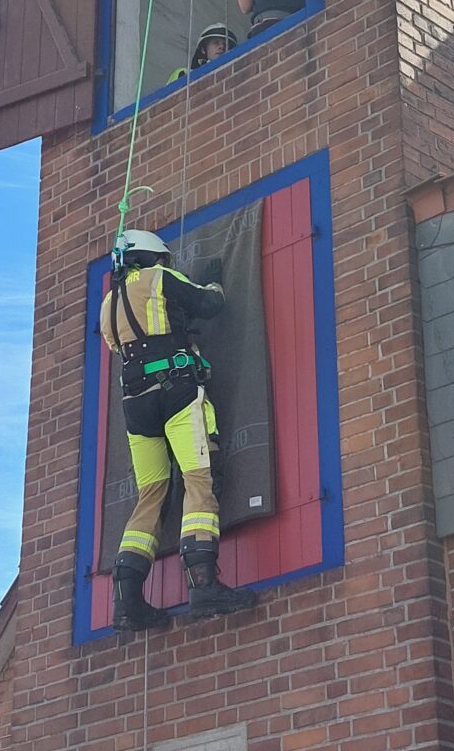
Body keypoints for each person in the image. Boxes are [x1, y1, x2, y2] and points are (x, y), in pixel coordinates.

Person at [100, 229, 257, 631]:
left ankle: (127, 602)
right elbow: (210, 304)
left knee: (151, 493)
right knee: (198, 479)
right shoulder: (161, 278)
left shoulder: (106, 305)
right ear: (154, 256)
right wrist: (216, 279)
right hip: (178, 394)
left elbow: (137, 340)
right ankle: (204, 586)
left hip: (136, 409)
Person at [167, 23, 238, 84]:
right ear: (203, 49)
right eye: (216, 43)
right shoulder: (184, 74)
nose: (222, 47)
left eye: (226, 45)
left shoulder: (236, 75)